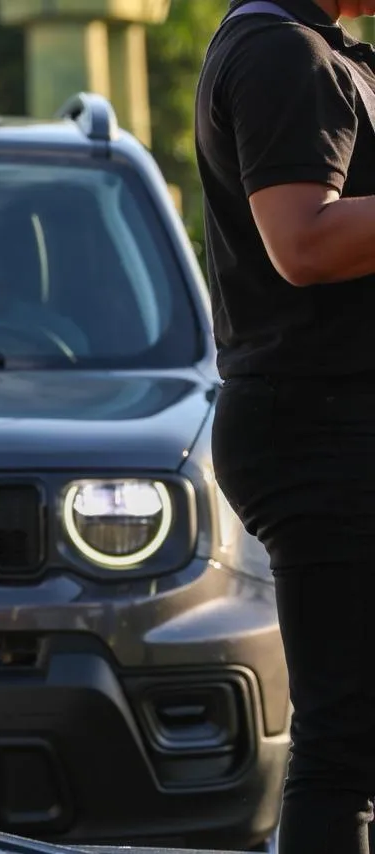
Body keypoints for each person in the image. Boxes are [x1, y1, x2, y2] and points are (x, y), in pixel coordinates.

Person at [194, 2, 375, 852]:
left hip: (331, 417)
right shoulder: (281, 53)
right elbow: (303, 244)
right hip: (320, 424)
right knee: (346, 743)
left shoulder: (324, 51)